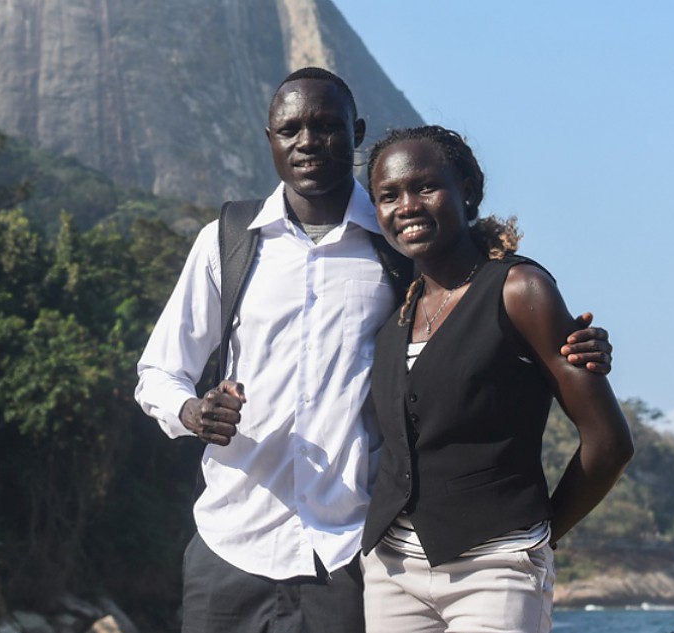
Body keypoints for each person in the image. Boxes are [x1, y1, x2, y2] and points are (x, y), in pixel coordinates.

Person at [134, 69, 613, 633]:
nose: (307, 141)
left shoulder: (399, 245)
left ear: (356, 133)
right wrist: (192, 412)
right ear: (269, 140)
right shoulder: (227, 242)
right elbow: (160, 371)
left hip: (349, 554)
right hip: (231, 543)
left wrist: (572, 344)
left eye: (326, 126)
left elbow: (478, 298)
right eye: (289, 129)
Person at [360, 125, 636, 633]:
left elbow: (609, 442)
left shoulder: (519, 289)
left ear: (466, 189)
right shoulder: (395, 311)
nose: (407, 205)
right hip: (391, 571)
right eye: (388, 195)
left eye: (425, 187)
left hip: (497, 569)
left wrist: (541, 534)